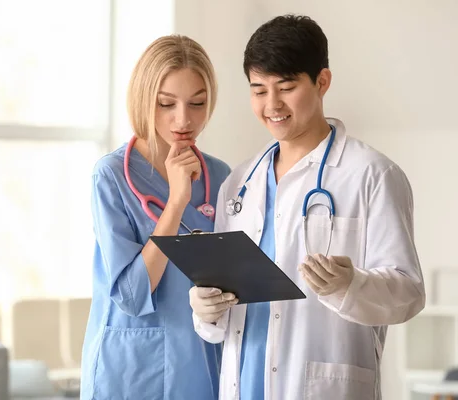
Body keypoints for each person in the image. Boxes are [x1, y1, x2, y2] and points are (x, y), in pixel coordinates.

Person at [188, 14, 425, 399]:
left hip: (320, 386)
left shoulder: (371, 174)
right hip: (242, 385)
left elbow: (409, 293)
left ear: (322, 82)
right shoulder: (240, 183)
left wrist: (352, 285)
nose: (272, 104)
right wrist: (205, 309)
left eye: (286, 87)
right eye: (259, 90)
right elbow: (223, 310)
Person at [80, 35, 232, 400]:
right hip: (128, 369)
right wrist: (176, 202)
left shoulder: (220, 177)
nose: (184, 119)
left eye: (198, 103)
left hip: (200, 362)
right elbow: (131, 296)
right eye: (167, 104)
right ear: (145, 99)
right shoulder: (112, 176)